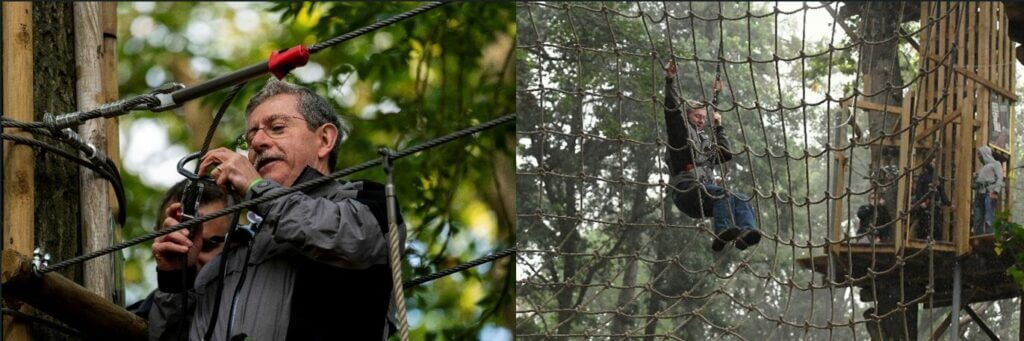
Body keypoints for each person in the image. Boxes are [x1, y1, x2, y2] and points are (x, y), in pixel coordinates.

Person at [149, 79, 405, 340]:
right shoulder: (229, 257)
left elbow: (355, 240)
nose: (258, 142)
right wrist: (174, 280)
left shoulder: (365, 201)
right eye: (250, 137)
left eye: (277, 127)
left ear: (325, 140)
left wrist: (256, 188)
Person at [662, 60, 759, 252]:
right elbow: (673, 113)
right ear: (688, 116)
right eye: (697, 116)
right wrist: (670, 81)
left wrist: (718, 126)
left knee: (740, 198)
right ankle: (721, 233)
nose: (701, 121)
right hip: (686, 191)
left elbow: (725, 155)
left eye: (703, 118)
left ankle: (746, 234)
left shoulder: (705, 144)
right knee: (723, 193)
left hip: (705, 195)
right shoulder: (681, 137)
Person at [127, 179, 231, 320]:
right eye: (176, 242)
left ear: (234, 246)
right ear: (157, 241)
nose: (192, 257)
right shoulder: (131, 322)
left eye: (207, 246)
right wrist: (172, 284)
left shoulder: (252, 312)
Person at [911, 161, 950, 241]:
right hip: (925, 203)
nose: (934, 164)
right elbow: (919, 190)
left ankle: (937, 240)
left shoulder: (937, 177)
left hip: (935, 204)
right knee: (923, 223)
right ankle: (922, 239)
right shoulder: (923, 176)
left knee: (937, 225)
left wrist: (948, 203)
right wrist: (921, 202)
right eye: (933, 162)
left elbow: (942, 192)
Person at [971, 146, 1004, 235]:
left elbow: (1000, 178)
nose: (979, 157)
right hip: (979, 194)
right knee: (977, 217)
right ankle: (977, 236)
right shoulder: (981, 169)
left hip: (989, 192)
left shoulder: (995, 164)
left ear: (985, 154)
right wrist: (974, 179)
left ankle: (990, 235)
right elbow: (974, 185)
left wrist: (996, 191)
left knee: (989, 216)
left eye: (980, 155)